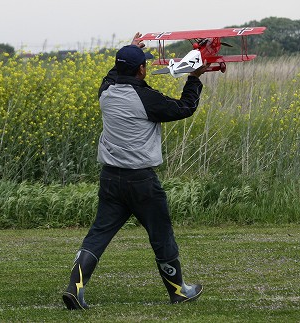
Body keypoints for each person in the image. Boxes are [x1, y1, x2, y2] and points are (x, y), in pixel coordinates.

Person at [62, 33, 209, 310]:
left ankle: (75, 288)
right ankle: (179, 291)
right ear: (141, 69)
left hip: (110, 179)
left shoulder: (105, 91)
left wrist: (131, 49)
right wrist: (195, 77)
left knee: (98, 234)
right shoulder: (145, 98)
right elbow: (185, 107)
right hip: (141, 181)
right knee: (161, 235)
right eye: (144, 65)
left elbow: (113, 74)